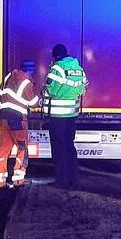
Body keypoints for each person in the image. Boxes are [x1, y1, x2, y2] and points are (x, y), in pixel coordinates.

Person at [41, 43, 87, 189]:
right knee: (69, 146)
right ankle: (74, 180)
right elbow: (82, 88)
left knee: (59, 148)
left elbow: (50, 89)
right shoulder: (79, 69)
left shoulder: (57, 68)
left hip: (58, 115)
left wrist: (43, 93)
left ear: (56, 56)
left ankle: (61, 181)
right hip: (72, 114)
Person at [0, 61, 39, 188]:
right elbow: (33, 102)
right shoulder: (26, 81)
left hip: (3, 118)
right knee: (22, 148)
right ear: (30, 70)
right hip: (18, 119)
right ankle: (18, 181)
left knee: (3, 150)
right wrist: (40, 99)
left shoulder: (8, 77)